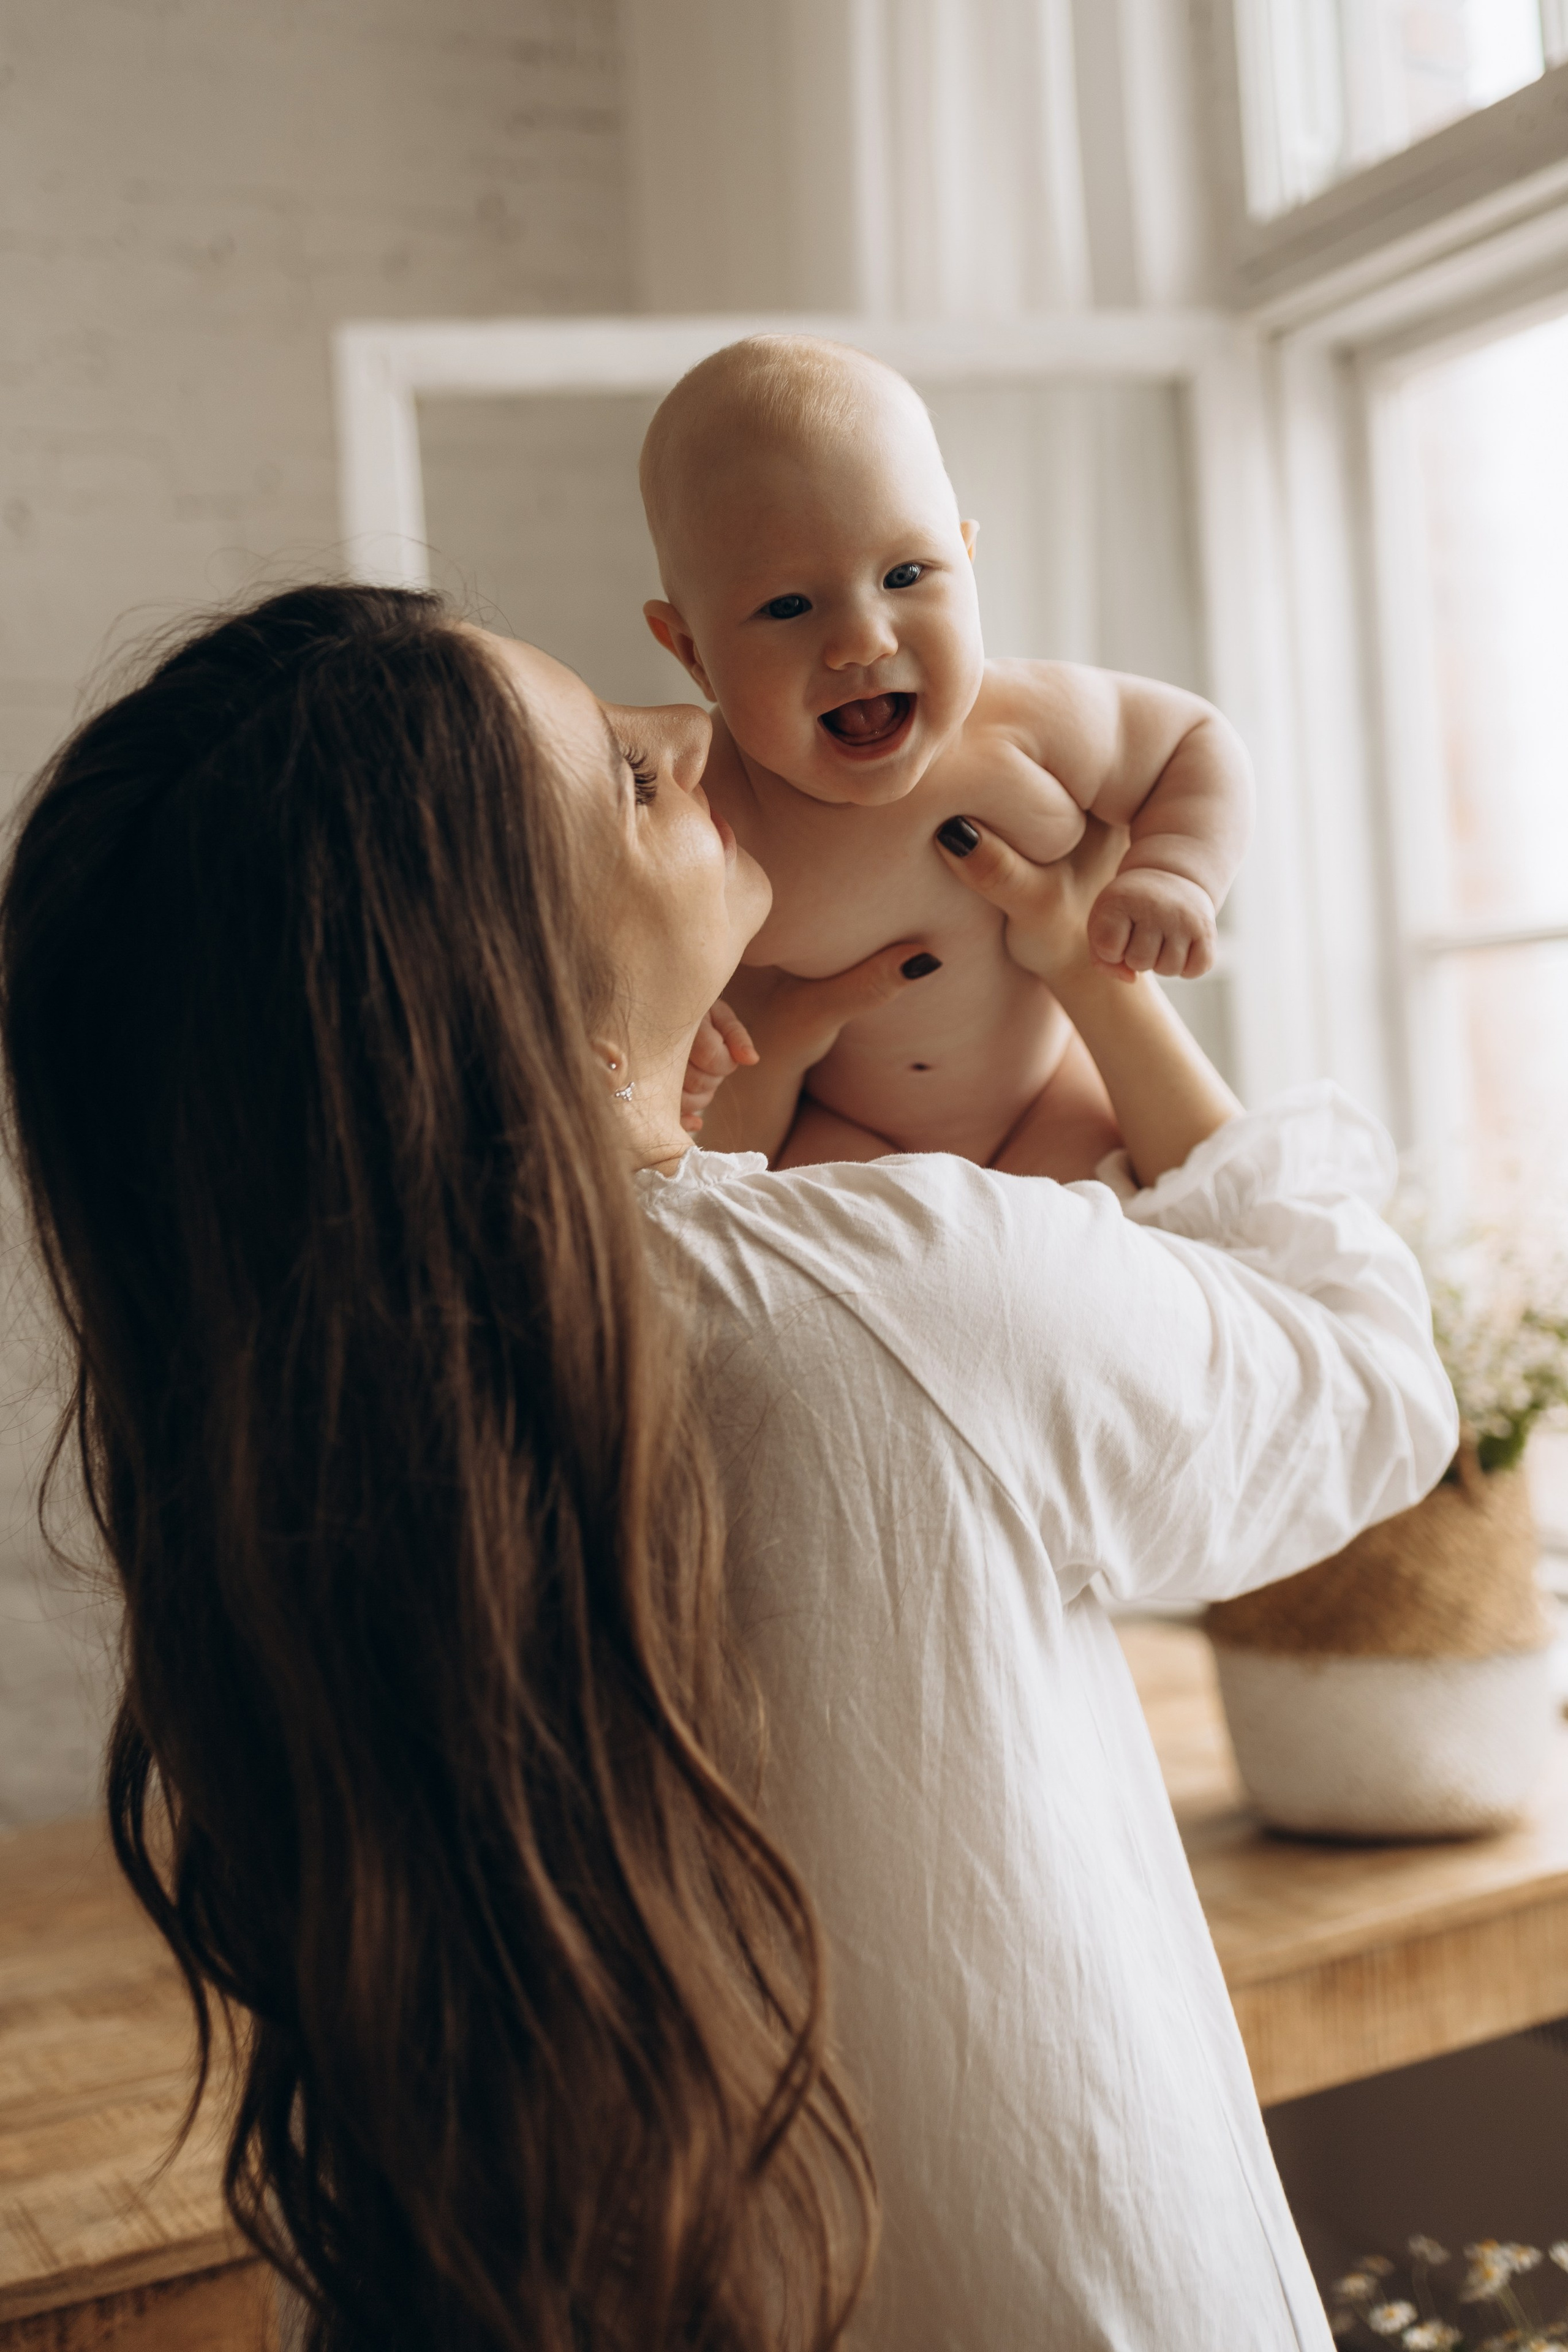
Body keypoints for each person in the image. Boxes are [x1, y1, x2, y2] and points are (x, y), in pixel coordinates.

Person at [0, 584, 1457, 2352]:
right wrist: (1101, 986)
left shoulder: (300, 1440)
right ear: (504, 990)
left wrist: (658, 1105)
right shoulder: (888, 1290)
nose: (693, 734)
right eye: (626, 780)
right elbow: (1370, 1385)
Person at [637, 333, 1253, 1174]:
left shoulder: (1026, 718)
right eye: (788, 606)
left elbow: (1193, 741)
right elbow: (622, 942)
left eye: (905, 575)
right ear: (693, 653)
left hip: (1047, 1096)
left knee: (1132, 1216)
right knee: (814, 1229)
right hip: (847, 1132)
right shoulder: (712, 813)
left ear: (966, 560)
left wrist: (1175, 872)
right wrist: (675, 1017)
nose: (862, 640)